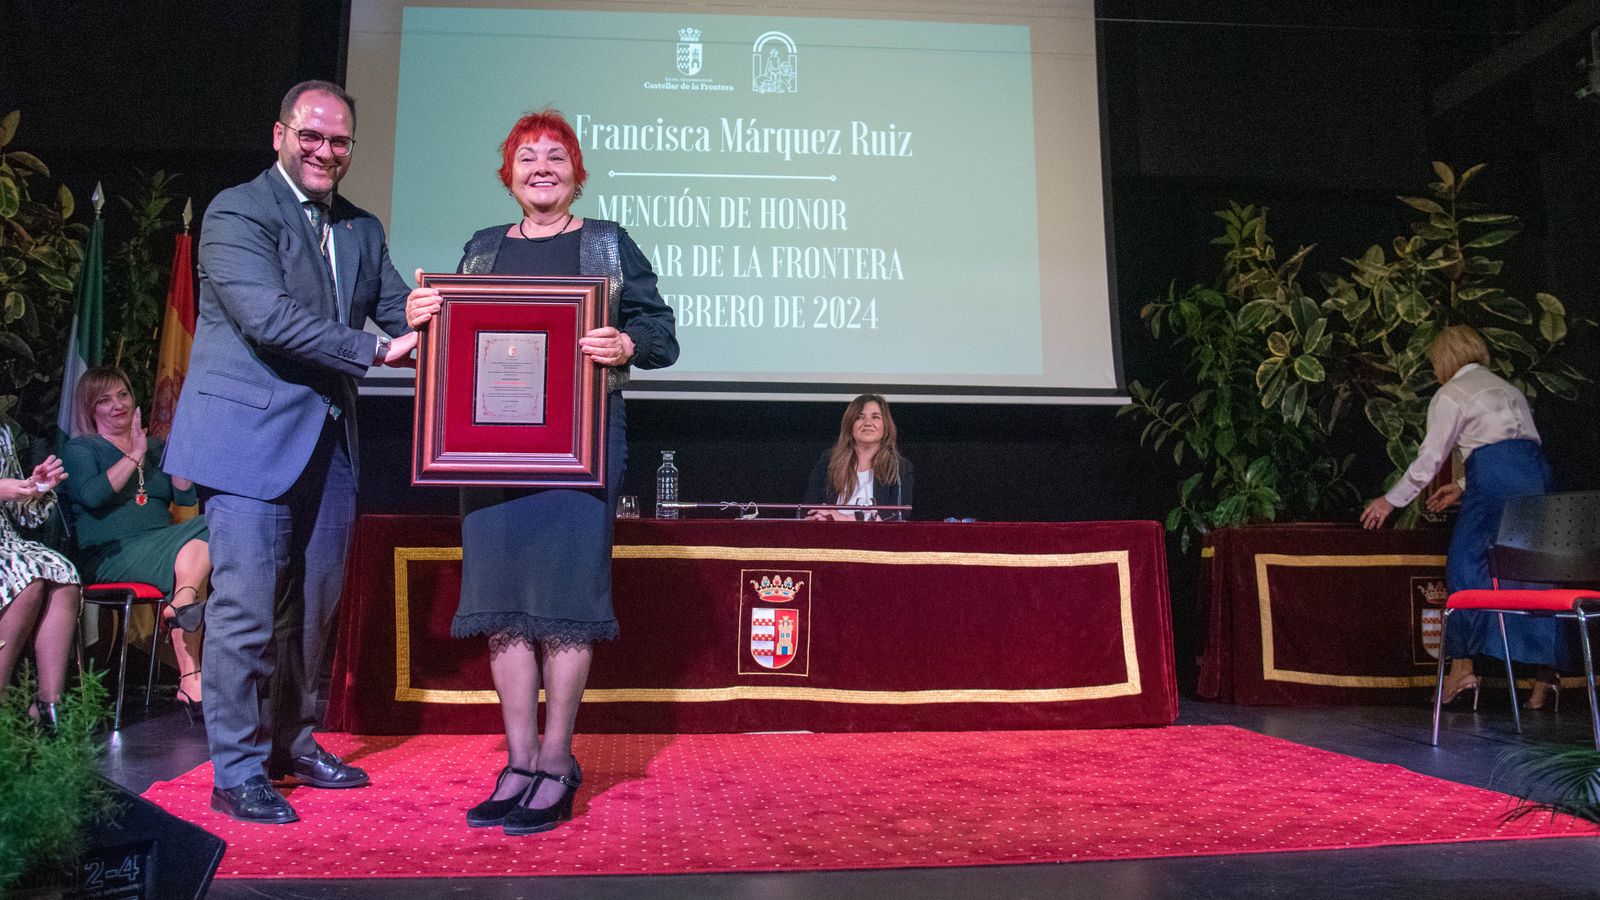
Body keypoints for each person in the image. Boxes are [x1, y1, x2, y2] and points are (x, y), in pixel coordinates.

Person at [405, 109, 678, 836]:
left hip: (579, 453)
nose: (541, 168)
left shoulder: (607, 244)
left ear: (576, 170)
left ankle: (557, 763)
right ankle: (518, 762)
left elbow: (661, 334)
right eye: (527, 157)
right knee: (501, 610)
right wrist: (422, 313)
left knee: (562, 607)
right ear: (509, 174)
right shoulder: (483, 249)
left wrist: (625, 340)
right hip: (488, 451)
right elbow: (453, 340)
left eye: (556, 156)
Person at [162, 80, 421, 825]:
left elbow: (400, 302)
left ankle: (294, 743)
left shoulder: (362, 229)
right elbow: (269, 318)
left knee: (314, 611)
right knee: (245, 612)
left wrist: (474, 309)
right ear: (279, 135)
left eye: (339, 141)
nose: (325, 151)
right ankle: (237, 769)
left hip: (328, 446)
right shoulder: (238, 211)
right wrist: (373, 350)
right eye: (311, 135)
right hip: (248, 444)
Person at [1359, 324, 1564, 710]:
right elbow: (1516, 448)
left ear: (1443, 360)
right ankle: (1546, 679)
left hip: (1496, 477)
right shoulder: (1508, 389)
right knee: (1531, 569)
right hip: (1536, 474)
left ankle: (1463, 668)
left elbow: (1431, 458)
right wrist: (1465, 485)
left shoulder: (1451, 393)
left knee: (1465, 565)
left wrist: (1391, 500)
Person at [62, 366, 209, 719]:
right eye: (105, 400)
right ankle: (190, 665)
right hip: (111, 553)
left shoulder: (156, 447)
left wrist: (181, 454)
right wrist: (133, 455)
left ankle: (189, 662)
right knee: (195, 551)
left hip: (162, 543)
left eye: (123, 395)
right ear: (90, 409)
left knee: (217, 523)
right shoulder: (81, 448)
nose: (117, 405)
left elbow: (184, 499)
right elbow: (92, 495)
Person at [1, 423, 81, 725]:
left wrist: (35, 488)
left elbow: (21, 513)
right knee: (28, 579)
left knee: (63, 573)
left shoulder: (2, 432)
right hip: (10, 558)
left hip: (6, 543)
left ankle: (48, 708)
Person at [802, 393, 913, 521]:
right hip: (829, 536)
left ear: (886, 426)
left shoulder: (899, 467)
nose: (868, 423)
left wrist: (843, 518)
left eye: (876, 417)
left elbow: (897, 515)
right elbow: (809, 508)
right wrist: (814, 518)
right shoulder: (829, 461)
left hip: (877, 539)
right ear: (850, 424)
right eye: (859, 417)